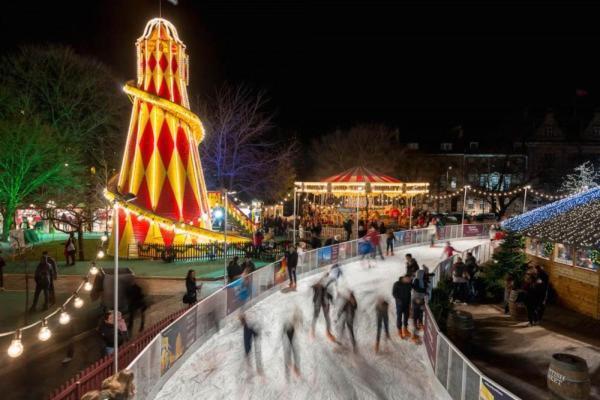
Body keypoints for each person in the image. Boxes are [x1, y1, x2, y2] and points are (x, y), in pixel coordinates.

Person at [311, 275, 335, 341]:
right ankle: (312, 330)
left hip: (324, 302)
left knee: (327, 317)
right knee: (316, 316)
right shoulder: (316, 287)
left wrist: (331, 301)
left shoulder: (324, 288)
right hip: (318, 302)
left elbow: (329, 294)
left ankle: (328, 332)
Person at [282, 309, 303, 379]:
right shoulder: (288, 320)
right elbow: (284, 330)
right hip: (286, 336)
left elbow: (299, 324)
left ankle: (297, 369)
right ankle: (287, 374)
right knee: (287, 356)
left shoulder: (295, 321)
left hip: (292, 336)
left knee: (297, 353)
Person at [392, 273, 413, 340]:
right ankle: (400, 331)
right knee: (399, 318)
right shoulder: (397, 284)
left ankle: (405, 330)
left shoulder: (409, 284)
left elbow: (409, 294)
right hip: (400, 305)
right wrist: (399, 300)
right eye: (409, 279)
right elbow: (394, 293)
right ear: (405, 278)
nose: (410, 280)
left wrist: (410, 304)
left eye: (410, 279)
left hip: (406, 304)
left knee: (406, 317)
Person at [411, 270, 427, 343]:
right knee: (416, 314)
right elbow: (416, 288)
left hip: (420, 299)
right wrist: (424, 290)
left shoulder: (421, 280)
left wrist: (425, 292)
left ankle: (419, 326)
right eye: (423, 274)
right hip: (416, 299)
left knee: (420, 313)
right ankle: (414, 333)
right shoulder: (416, 280)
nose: (424, 275)